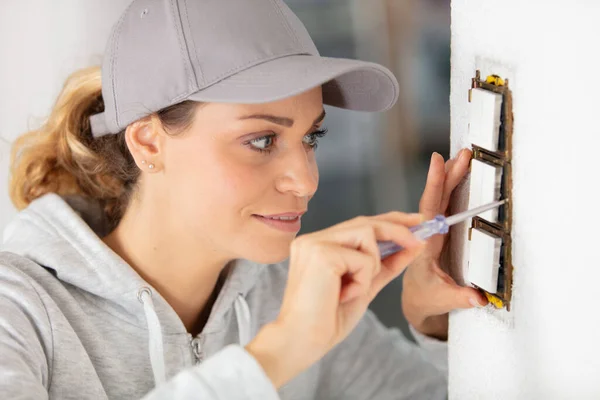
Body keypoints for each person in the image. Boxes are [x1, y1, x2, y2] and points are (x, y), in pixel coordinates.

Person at [0, 0, 487, 398]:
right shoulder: (16, 310)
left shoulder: (285, 298)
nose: (305, 181)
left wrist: (437, 326)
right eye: (261, 141)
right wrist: (280, 352)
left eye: (310, 139)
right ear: (148, 142)